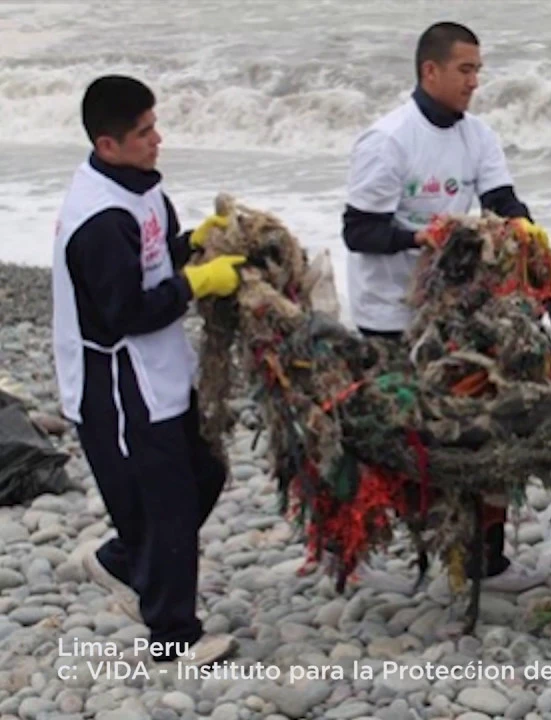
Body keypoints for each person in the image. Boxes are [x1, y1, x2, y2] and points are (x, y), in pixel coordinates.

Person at [342, 21, 547, 594]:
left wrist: (526, 233)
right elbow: (358, 229)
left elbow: (502, 199)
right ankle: (383, 557)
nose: (474, 82)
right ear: (430, 71)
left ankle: (487, 561)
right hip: (391, 316)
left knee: (481, 427)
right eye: (465, 70)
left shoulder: (477, 135)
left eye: (479, 70)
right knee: (397, 437)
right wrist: (427, 238)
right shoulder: (388, 140)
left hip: (455, 311)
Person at [55, 74, 242, 666]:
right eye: (143, 132)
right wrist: (197, 283)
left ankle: (119, 562)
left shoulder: (140, 190)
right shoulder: (100, 220)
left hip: (160, 368)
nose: (157, 139)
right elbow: (125, 313)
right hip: (115, 384)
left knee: (205, 472)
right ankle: (173, 634)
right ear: (107, 145)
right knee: (165, 501)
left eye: (155, 125)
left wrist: (194, 246)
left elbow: (154, 259)